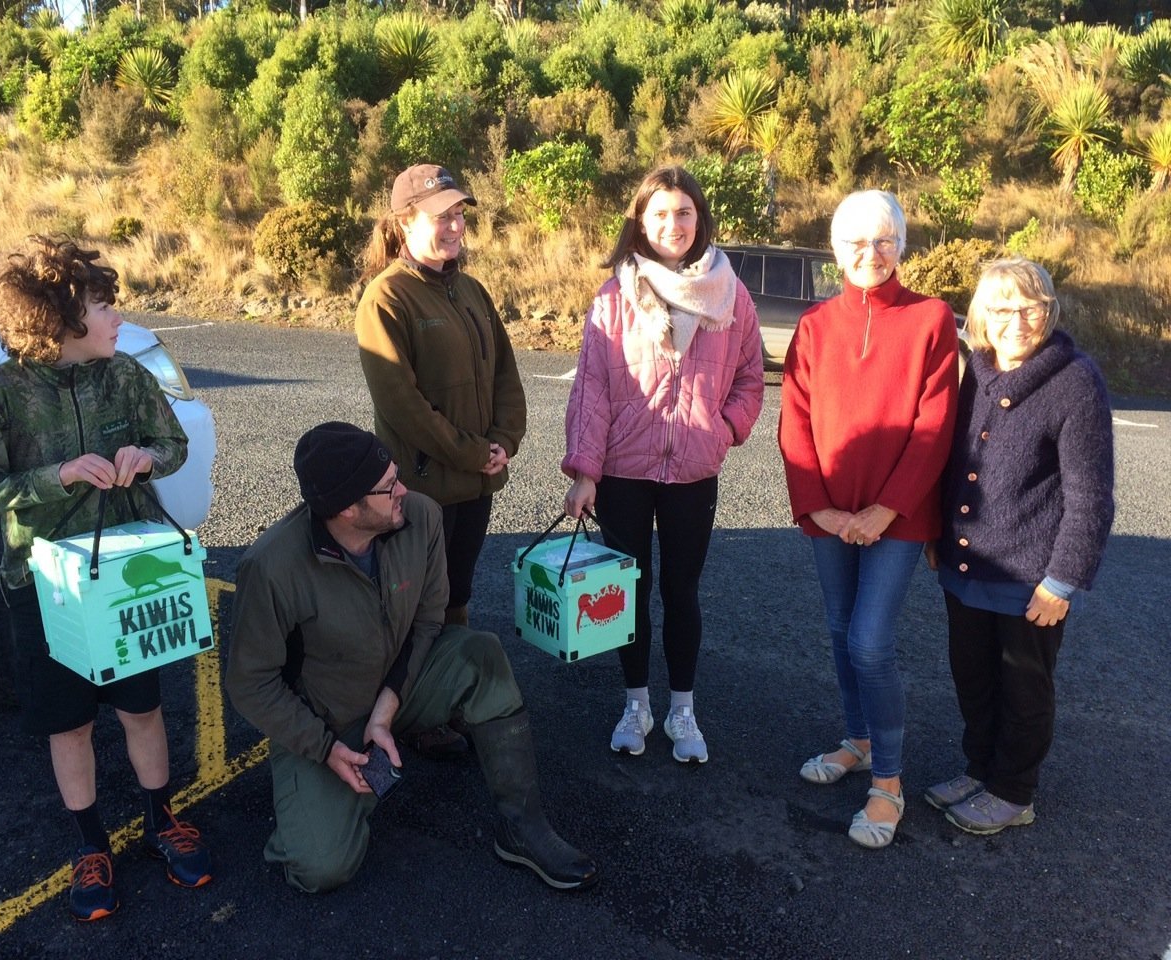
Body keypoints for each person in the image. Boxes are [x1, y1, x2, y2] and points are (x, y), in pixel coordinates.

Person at [224, 422, 598, 894]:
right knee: (318, 868)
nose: (403, 490)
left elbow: (428, 623)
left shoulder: (421, 518)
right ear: (346, 508)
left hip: (405, 685)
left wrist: (387, 708)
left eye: (397, 474)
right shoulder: (271, 567)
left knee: (480, 654)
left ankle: (522, 827)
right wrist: (323, 748)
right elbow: (250, 683)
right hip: (329, 717)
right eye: (387, 488)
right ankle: (321, 795)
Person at [0, 236, 212, 922]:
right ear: (60, 319)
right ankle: (90, 846)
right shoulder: (1, 394)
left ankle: (163, 820)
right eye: (101, 305)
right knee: (67, 726)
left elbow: (175, 444)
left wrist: (145, 457)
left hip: (125, 576)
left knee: (143, 707)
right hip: (43, 589)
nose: (115, 316)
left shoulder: (125, 374)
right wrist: (58, 476)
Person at [562, 165, 764, 764]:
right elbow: (592, 388)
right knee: (627, 590)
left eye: (683, 212)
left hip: (693, 473)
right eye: (659, 214)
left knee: (681, 591)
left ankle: (681, 709)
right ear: (639, 222)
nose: (672, 224)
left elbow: (752, 378)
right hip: (624, 469)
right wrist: (585, 470)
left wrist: (722, 430)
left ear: (698, 218)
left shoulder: (731, 292)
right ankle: (636, 704)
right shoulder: (614, 295)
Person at [778, 190, 959, 849]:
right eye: (856, 240)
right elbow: (794, 420)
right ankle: (855, 738)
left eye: (884, 240)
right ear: (835, 248)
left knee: (869, 642)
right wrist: (820, 505)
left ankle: (888, 780)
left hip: (900, 515)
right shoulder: (814, 324)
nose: (870, 253)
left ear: (902, 246)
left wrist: (884, 510)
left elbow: (934, 426)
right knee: (836, 628)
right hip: (830, 510)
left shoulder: (932, 319)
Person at [923, 258, 1114, 835]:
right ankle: (979, 768)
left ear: (1049, 309)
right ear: (981, 314)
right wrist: (936, 533)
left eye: (1029, 305)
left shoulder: (1075, 381)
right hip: (965, 563)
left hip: (1031, 578)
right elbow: (955, 458)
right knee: (973, 675)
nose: (1016, 319)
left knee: (1024, 687)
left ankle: (1013, 790)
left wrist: (1062, 582)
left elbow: (1091, 496)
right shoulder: (977, 370)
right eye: (1001, 307)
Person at [355, 163, 527, 760]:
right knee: (413, 605)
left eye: (460, 214)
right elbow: (404, 408)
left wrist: (507, 438)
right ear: (404, 222)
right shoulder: (386, 298)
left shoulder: (471, 290)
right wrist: (476, 452)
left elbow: (505, 372)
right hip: (422, 492)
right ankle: (406, 712)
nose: (456, 226)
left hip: (475, 485)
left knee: (457, 592)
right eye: (442, 216)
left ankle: (452, 698)